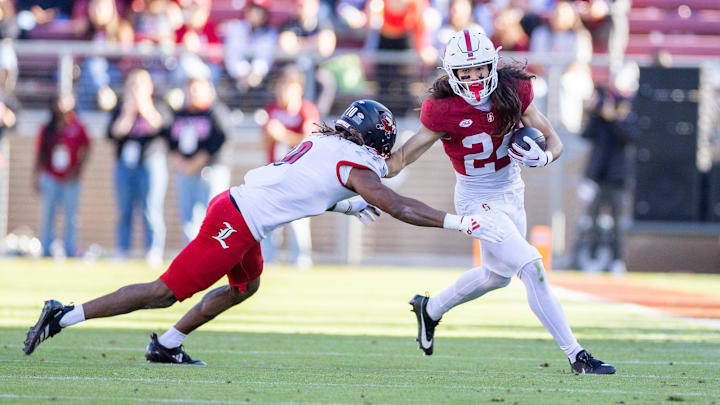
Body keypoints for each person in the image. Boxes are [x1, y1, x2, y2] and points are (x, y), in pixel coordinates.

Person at [23, 99, 499, 365]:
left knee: (246, 287)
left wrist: (346, 206)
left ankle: (165, 345)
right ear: (378, 138)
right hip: (235, 223)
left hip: (239, 211)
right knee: (164, 291)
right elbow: (397, 205)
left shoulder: (323, 140)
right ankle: (62, 316)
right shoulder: (355, 164)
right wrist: (459, 222)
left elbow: (304, 187)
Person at [385, 28, 615, 375]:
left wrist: (546, 158)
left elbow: (554, 140)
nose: (475, 77)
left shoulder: (513, 89)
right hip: (476, 198)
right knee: (532, 267)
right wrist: (368, 171)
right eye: (466, 71)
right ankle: (577, 356)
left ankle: (430, 309)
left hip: (512, 191)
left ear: (492, 65)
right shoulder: (442, 108)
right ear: (453, 74)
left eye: (480, 68)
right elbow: (405, 156)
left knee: (496, 276)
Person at [108, 69, 169, 268]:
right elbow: (114, 133)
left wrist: (143, 106)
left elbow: (159, 127)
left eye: (140, 85)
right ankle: (122, 249)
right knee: (124, 209)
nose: (135, 90)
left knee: (151, 209)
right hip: (125, 164)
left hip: (151, 162)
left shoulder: (159, 105)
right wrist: (128, 111)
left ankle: (153, 250)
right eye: (132, 85)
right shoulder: (121, 108)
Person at [571, 86, 635, 275]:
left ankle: (617, 260)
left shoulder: (624, 120)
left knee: (616, 223)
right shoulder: (598, 121)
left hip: (617, 180)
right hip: (597, 179)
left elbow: (630, 138)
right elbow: (585, 135)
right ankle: (591, 257)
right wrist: (594, 113)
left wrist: (614, 119)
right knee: (591, 220)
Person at [261, 65, 320, 269]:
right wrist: (271, 135)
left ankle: (301, 260)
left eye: (289, 86)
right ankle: (269, 260)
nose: (284, 91)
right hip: (274, 172)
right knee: (270, 219)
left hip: (298, 175)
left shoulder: (307, 110)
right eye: (281, 86)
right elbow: (265, 143)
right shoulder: (271, 109)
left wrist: (283, 134)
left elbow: (308, 144)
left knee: (298, 219)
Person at [165, 77, 227, 244]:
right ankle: (191, 253)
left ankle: (211, 253)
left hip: (209, 170)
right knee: (188, 217)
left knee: (210, 215)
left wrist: (199, 161)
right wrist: (179, 161)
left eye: (197, 89)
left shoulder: (215, 112)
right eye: (190, 89)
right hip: (184, 170)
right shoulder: (180, 114)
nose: (193, 94)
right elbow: (170, 139)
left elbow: (221, 138)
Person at [33, 93, 91, 257]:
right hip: (50, 176)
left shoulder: (78, 126)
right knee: (48, 214)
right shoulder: (47, 128)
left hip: (71, 179)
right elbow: (40, 154)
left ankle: (70, 249)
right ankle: (46, 249)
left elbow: (86, 148)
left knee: (71, 216)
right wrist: (36, 176)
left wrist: (77, 169)